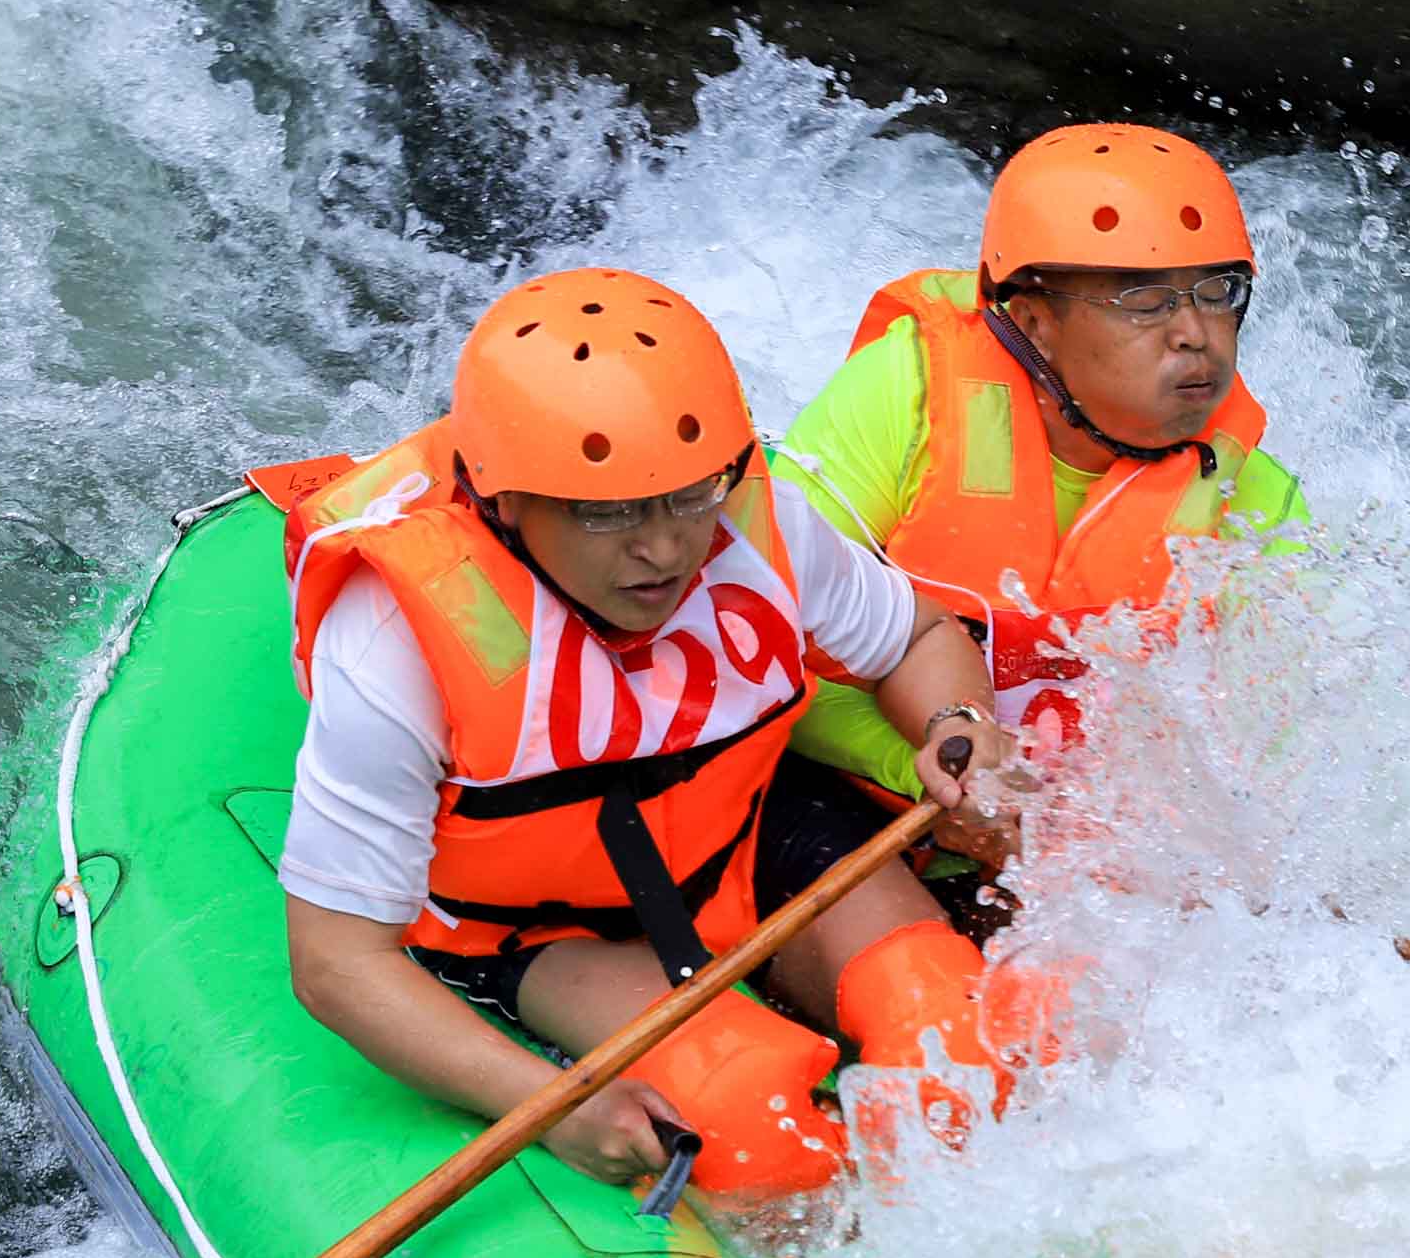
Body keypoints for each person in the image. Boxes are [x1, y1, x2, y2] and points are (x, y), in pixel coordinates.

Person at [256, 268, 1050, 1203]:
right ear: (504, 500)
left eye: (684, 497)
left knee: (954, 1031)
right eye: (608, 511)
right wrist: (554, 1108)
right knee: (759, 1132)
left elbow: (917, 634)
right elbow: (339, 962)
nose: (666, 548)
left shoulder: (757, 521)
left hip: (746, 833)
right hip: (546, 931)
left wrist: (959, 725)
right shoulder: (396, 640)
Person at [776, 124, 1306, 837]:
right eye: (1145, 300)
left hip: (1069, 858)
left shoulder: (1255, 499)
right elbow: (744, 655)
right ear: (1033, 319)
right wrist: (927, 782)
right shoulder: (904, 395)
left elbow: (1278, 770)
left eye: (1217, 291)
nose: (1197, 333)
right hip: (849, 804)